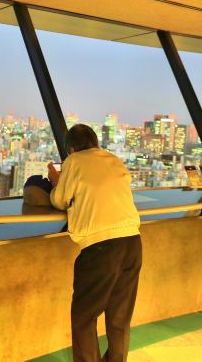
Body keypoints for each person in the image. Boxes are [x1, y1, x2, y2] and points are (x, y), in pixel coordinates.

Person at [47, 124, 141, 362]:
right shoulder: (114, 159)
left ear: (70, 148)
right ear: (96, 142)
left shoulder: (75, 161)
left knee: (83, 317)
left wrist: (56, 181)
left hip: (101, 248)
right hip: (132, 243)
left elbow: (60, 200)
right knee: (119, 317)